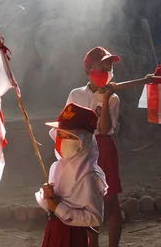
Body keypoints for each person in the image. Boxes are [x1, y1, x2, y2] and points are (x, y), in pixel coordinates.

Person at [66, 46, 122, 247]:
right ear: (88, 71)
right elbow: (66, 124)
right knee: (88, 201)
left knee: (111, 201)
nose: (105, 72)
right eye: (101, 67)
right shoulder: (76, 95)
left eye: (109, 68)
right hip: (82, 149)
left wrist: (105, 100)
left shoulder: (113, 97)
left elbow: (105, 129)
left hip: (104, 147)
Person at [36, 103, 108, 247]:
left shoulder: (89, 175)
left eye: (69, 135)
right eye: (60, 134)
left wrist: (59, 208)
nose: (62, 139)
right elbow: (51, 205)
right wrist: (47, 197)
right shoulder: (56, 167)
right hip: (53, 229)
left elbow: (95, 218)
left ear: (84, 140)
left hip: (73, 236)